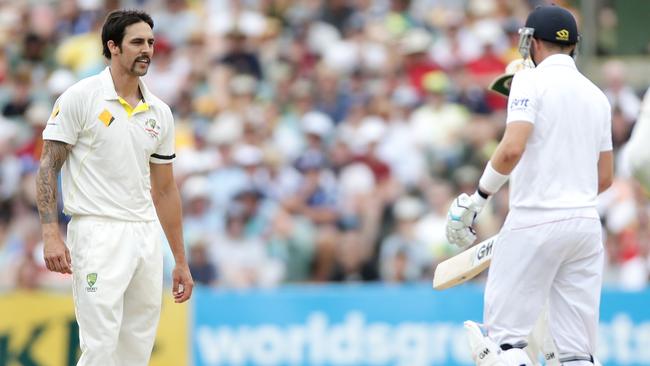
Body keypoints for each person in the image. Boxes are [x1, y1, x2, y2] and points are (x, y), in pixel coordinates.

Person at [445, 5, 613, 366]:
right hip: (585, 226)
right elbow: (605, 177)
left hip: (534, 219)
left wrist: (478, 199)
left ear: (533, 42)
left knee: (503, 346)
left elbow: (511, 149)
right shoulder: (597, 95)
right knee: (576, 354)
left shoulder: (527, 80)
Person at [35, 10, 193, 366]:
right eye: (137, 42)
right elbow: (48, 168)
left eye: (150, 43)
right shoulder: (81, 97)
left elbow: (165, 191)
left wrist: (180, 260)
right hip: (97, 231)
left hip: (144, 234)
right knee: (101, 346)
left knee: (136, 349)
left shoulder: (159, 112)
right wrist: (50, 233)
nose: (147, 50)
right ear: (113, 47)